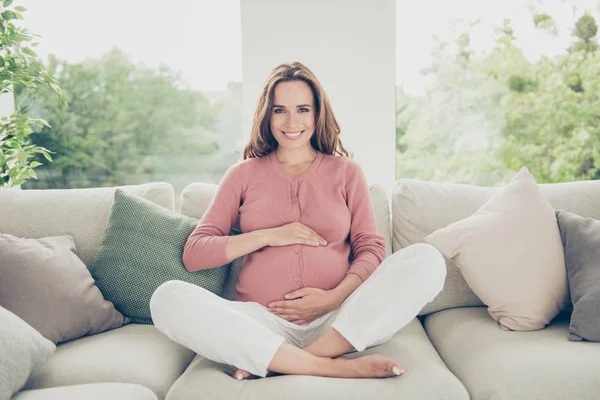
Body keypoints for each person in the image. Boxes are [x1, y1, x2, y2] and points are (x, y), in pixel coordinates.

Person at [149, 61, 446, 380]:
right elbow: (196, 254)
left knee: (428, 260)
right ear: (267, 114)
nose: (292, 121)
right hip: (261, 321)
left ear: (318, 114)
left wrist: (332, 298)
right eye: (280, 110)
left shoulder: (346, 172)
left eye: (303, 109)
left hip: (341, 319)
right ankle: (327, 366)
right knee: (166, 298)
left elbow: (370, 249)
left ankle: (296, 359)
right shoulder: (242, 175)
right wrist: (269, 235)